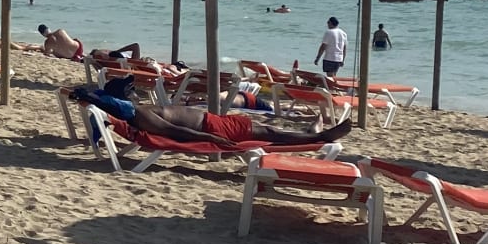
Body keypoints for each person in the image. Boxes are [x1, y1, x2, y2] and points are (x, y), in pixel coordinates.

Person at [70, 82, 348, 148]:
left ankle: (309, 134)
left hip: (213, 122)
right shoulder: (141, 115)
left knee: (267, 130)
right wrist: (211, 139)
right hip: (213, 127)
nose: (133, 94)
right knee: (269, 133)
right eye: (128, 93)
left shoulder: (141, 112)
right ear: (123, 102)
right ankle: (318, 137)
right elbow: (175, 132)